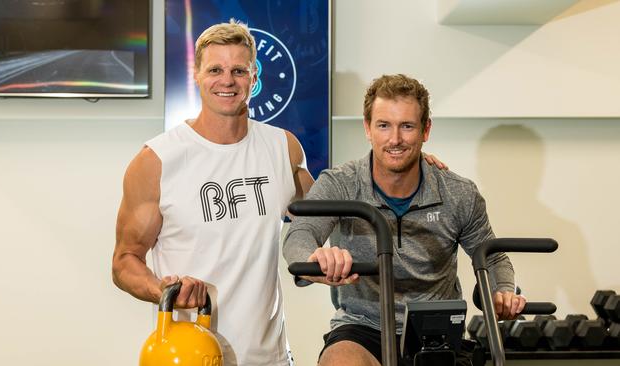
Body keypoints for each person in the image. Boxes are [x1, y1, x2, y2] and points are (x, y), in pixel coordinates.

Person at [112, 20, 447, 365]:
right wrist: (163, 289)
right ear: (196, 74)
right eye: (215, 69)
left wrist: (408, 164)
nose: (227, 80)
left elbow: (330, 210)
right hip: (190, 354)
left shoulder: (281, 148)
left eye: (238, 70)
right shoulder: (157, 160)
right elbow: (124, 260)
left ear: (254, 78)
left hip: (269, 357)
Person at [282, 74, 526, 366]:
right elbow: (299, 235)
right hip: (363, 327)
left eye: (407, 126)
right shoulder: (341, 184)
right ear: (367, 128)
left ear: (426, 130)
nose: (395, 139)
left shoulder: (459, 193)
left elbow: (494, 258)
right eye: (384, 125)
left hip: (436, 329)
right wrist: (317, 259)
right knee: (339, 361)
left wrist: (502, 292)